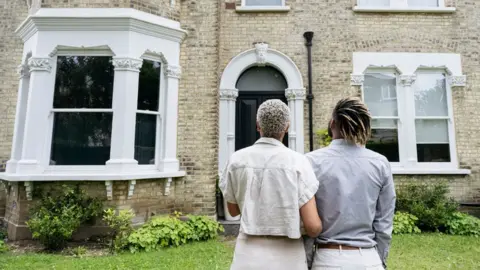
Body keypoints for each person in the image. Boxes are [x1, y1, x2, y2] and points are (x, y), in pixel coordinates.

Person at [220, 99, 322, 270]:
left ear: (258, 125)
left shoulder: (236, 159)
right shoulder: (298, 162)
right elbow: (312, 227)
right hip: (289, 258)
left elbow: (233, 210)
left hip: (247, 257)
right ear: (287, 127)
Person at [305, 97, 396, 270]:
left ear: (332, 123)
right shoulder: (380, 163)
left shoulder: (310, 162)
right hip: (368, 259)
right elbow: (384, 224)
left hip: (327, 258)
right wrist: (380, 261)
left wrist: (308, 262)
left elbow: (306, 224)